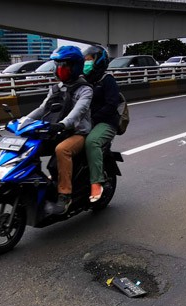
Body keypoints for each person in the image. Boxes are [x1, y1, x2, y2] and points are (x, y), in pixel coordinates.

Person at [23, 46, 93, 215]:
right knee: (29, 146)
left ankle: (65, 195)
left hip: (78, 133)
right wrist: (23, 121)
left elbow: (78, 113)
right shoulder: (56, 88)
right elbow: (42, 109)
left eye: (64, 65)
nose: (60, 68)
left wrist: (62, 124)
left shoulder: (85, 89)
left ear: (75, 66)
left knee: (62, 150)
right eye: (58, 64)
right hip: (57, 131)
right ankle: (38, 184)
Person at [82, 45, 121, 202]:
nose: (86, 63)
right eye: (84, 60)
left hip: (106, 122)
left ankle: (96, 182)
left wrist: (93, 118)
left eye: (89, 60)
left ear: (99, 61)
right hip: (87, 122)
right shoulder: (83, 81)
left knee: (92, 142)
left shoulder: (107, 80)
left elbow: (112, 105)